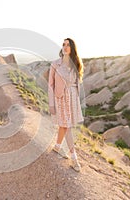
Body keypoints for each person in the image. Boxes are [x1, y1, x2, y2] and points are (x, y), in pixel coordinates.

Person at [48, 38, 84, 172]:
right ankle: (74, 158)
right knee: (67, 126)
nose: (65, 47)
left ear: (72, 48)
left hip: (72, 97)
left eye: (68, 45)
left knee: (64, 125)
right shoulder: (55, 65)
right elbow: (50, 85)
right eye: (63, 44)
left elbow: (76, 84)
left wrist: (77, 101)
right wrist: (51, 103)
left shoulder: (75, 64)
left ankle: (57, 147)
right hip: (61, 98)